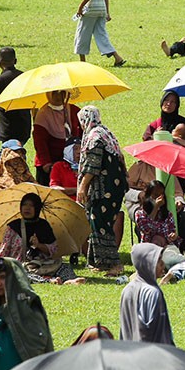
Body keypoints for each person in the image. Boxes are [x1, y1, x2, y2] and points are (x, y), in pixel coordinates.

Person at [76, 105, 127, 276]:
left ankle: (113, 263)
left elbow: (93, 165)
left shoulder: (94, 137)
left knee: (100, 223)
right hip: (115, 187)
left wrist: (83, 187)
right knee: (98, 221)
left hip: (104, 189)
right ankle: (96, 261)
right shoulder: (107, 134)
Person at [0, 193, 85, 285]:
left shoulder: (43, 226)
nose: (27, 208)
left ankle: (70, 280)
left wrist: (38, 245)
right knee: (20, 274)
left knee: (64, 267)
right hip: (22, 265)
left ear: (37, 208)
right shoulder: (13, 227)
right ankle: (49, 281)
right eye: (24, 204)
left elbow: (53, 251)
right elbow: (5, 250)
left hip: (44, 264)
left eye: (31, 205)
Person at [125, 161, 185, 255]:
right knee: (142, 221)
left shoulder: (168, 171)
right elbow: (125, 190)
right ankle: (147, 251)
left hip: (166, 206)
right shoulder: (139, 167)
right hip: (140, 204)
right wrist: (139, 194)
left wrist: (179, 201)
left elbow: (178, 193)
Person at [120, 243, 174, 345]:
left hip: (129, 350)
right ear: (147, 263)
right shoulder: (153, 293)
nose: (163, 264)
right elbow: (159, 332)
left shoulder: (127, 290)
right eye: (158, 260)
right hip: (152, 352)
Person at [33, 90, 82, 185]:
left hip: (72, 164)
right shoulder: (42, 115)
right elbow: (40, 142)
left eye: (62, 93)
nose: (58, 96)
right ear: (48, 95)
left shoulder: (74, 111)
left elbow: (82, 134)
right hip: (50, 163)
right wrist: (47, 163)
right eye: (54, 93)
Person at [73, 0, 126, 66]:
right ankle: (117, 57)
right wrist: (107, 13)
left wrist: (80, 7)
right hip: (101, 10)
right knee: (101, 35)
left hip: (90, 11)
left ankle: (83, 62)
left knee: (82, 35)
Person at [134, 180, 181, 248]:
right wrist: (156, 207)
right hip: (149, 248)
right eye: (155, 195)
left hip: (166, 247)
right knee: (157, 239)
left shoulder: (168, 214)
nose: (159, 198)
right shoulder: (140, 214)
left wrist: (173, 236)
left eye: (161, 195)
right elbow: (146, 229)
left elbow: (172, 231)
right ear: (148, 195)